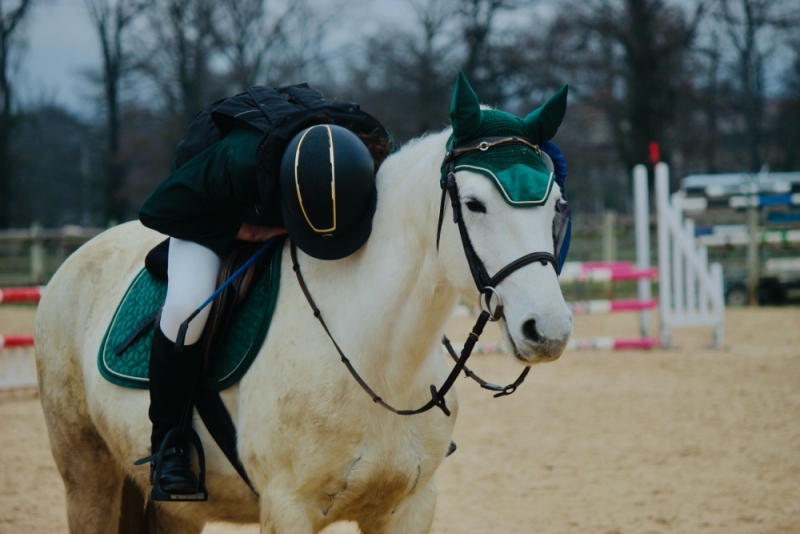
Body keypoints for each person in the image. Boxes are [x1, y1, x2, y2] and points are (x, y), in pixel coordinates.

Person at [138, 83, 392, 499]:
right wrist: (246, 229)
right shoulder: (232, 162)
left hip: (303, 197)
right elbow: (155, 209)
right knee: (188, 310)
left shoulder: (371, 154)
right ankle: (169, 445)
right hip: (211, 206)